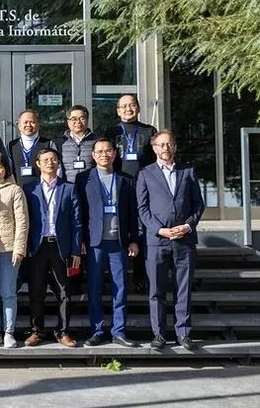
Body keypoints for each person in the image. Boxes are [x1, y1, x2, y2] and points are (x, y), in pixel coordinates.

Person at [137, 130, 204, 351]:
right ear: (154, 148)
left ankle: (184, 334)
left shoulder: (188, 171)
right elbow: (142, 209)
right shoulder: (146, 173)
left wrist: (187, 226)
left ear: (174, 147)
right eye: (161, 144)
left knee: (182, 289)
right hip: (157, 241)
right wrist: (160, 230)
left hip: (184, 240)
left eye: (170, 144)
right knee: (156, 290)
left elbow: (197, 205)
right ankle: (158, 335)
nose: (166, 148)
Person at [76, 138, 140, 348]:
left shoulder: (126, 179)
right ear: (93, 155)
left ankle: (119, 331)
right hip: (94, 243)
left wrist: (133, 240)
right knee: (94, 288)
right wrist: (81, 240)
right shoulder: (83, 178)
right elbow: (80, 214)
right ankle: (97, 331)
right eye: (100, 151)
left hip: (119, 242)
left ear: (115, 153)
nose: (104, 155)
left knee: (120, 288)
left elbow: (133, 213)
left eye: (108, 151)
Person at [23, 148, 81, 348]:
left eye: (54, 160)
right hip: (37, 247)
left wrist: (75, 251)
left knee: (64, 291)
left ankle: (63, 331)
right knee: (36, 291)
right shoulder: (29, 189)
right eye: (45, 159)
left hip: (60, 246)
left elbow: (77, 222)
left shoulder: (69, 188)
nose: (50, 163)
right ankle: (36, 331)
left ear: (58, 163)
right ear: (38, 164)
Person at [104, 94, 157, 294]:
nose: (128, 109)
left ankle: (140, 275)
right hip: (118, 188)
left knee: (142, 232)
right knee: (121, 229)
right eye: (124, 106)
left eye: (132, 105)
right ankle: (118, 278)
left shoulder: (148, 131)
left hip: (144, 188)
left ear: (138, 108)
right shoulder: (111, 132)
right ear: (118, 110)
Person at [0, 151, 28, 348]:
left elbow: (22, 221)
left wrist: (19, 248)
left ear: (5, 169)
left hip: (9, 249)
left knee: (8, 292)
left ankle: (9, 332)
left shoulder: (15, 190)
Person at [7, 110, 58, 188]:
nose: (28, 125)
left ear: (38, 125)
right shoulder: (11, 145)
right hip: (18, 192)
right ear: (19, 126)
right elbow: (8, 171)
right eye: (25, 122)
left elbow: (57, 169)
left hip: (43, 191)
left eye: (32, 122)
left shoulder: (48, 144)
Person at [57, 105, 97, 183]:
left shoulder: (96, 141)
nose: (78, 122)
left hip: (90, 186)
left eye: (82, 118)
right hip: (69, 187)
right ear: (68, 122)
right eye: (74, 119)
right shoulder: (60, 143)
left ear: (87, 120)